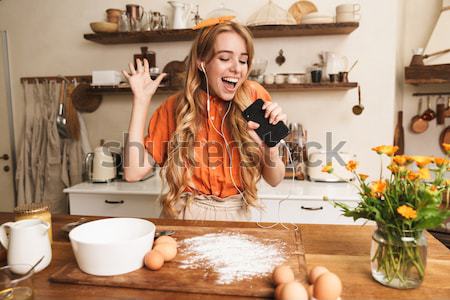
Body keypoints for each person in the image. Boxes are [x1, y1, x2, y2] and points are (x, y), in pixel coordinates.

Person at [122, 18, 287, 221]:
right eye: (225, 58)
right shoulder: (175, 107)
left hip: (236, 216)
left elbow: (275, 179)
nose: (237, 68)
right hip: (184, 215)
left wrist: (268, 148)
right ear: (202, 62)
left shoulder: (254, 98)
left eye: (243, 60)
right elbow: (133, 173)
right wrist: (141, 101)